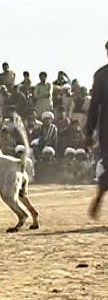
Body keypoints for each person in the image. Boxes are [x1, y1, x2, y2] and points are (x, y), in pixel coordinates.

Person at [86, 41, 108, 218]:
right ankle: (100, 196)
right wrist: (88, 131)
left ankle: (100, 196)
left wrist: (89, 132)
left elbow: (94, 106)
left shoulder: (101, 75)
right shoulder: (101, 75)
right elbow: (94, 106)